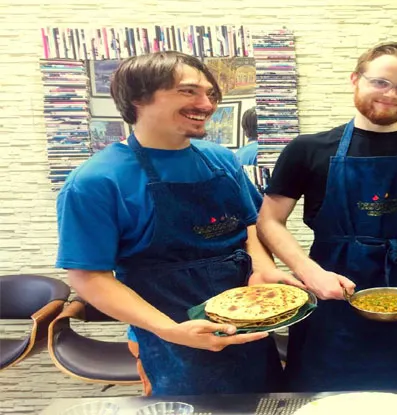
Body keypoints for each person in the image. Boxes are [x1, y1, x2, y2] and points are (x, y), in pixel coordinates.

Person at [55, 51, 301, 396]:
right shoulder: (96, 181)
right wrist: (169, 329)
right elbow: (88, 276)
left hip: (248, 322)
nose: (207, 104)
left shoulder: (221, 160)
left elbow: (249, 225)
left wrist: (261, 269)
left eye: (210, 94)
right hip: (169, 336)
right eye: (188, 91)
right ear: (138, 98)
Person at [257, 42, 397, 392]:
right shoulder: (307, 149)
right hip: (330, 291)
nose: (391, 95)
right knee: (323, 399)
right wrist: (308, 272)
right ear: (355, 79)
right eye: (380, 82)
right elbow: (269, 220)